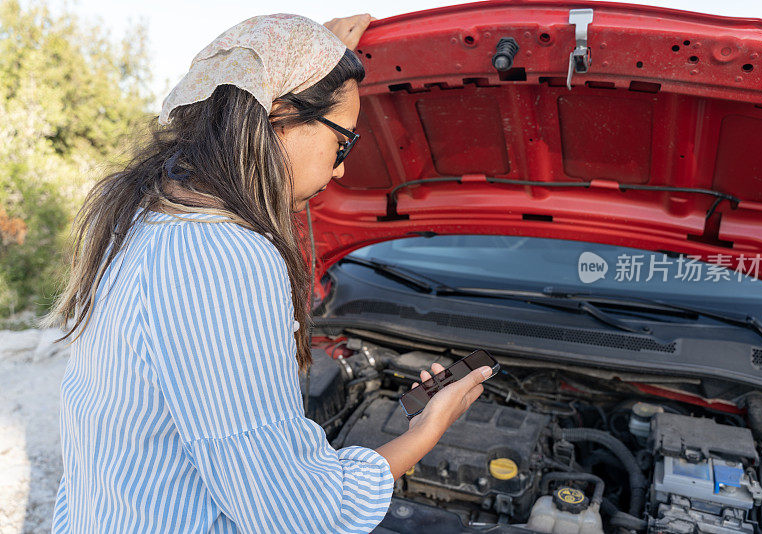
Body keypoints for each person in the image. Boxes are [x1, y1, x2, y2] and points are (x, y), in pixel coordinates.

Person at [44, 13, 492, 534]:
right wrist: (426, 430)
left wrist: (307, 56)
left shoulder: (144, 215)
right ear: (277, 113)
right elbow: (289, 511)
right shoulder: (222, 256)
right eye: (343, 142)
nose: (342, 167)